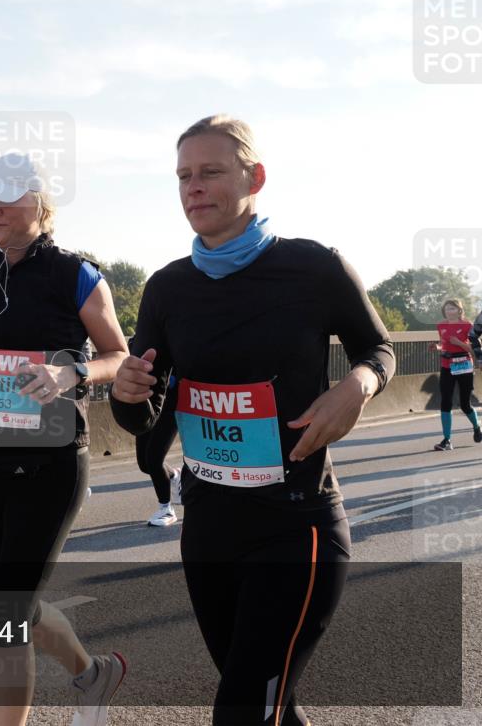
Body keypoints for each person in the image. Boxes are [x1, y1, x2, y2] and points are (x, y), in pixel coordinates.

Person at [110, 116, 395, 726]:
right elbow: (140, 418)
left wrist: (357, 386)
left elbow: (380, 350)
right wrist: (128, 392)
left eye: (211, 172)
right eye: (183, 176)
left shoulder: (315, 268)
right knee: (269, 706)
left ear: (254, 177)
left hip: (295, 527)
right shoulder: (167, 288)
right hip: (208, 529)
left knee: (239, 711)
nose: (194, 187)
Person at [0, 152, 130, 726]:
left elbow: (119, 355)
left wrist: (71, 372)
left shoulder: (74, 274)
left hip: (55, 460)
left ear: (40, 204)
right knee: (19, 605)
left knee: (7, 612)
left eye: (7, 198)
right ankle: (94, 676)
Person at [431, 298, 481, 451]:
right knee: (445, 401)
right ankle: (447, 440)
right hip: (447, 366)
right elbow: (443, 344)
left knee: (465, 404)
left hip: (464, 366)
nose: (449, 311)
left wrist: (459, 343)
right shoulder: (441, 326)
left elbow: (473, 350)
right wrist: (437, 347)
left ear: (459, 310)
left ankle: (477, 427)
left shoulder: (467, 326)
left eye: (452, 308)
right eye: (447, 309)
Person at [135, 374, 181, 526]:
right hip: (147, 404)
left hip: (171, 403)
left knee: (154, 459)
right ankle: (174, 475)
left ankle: (166, 509)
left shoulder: (175, 349)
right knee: (144, 464)